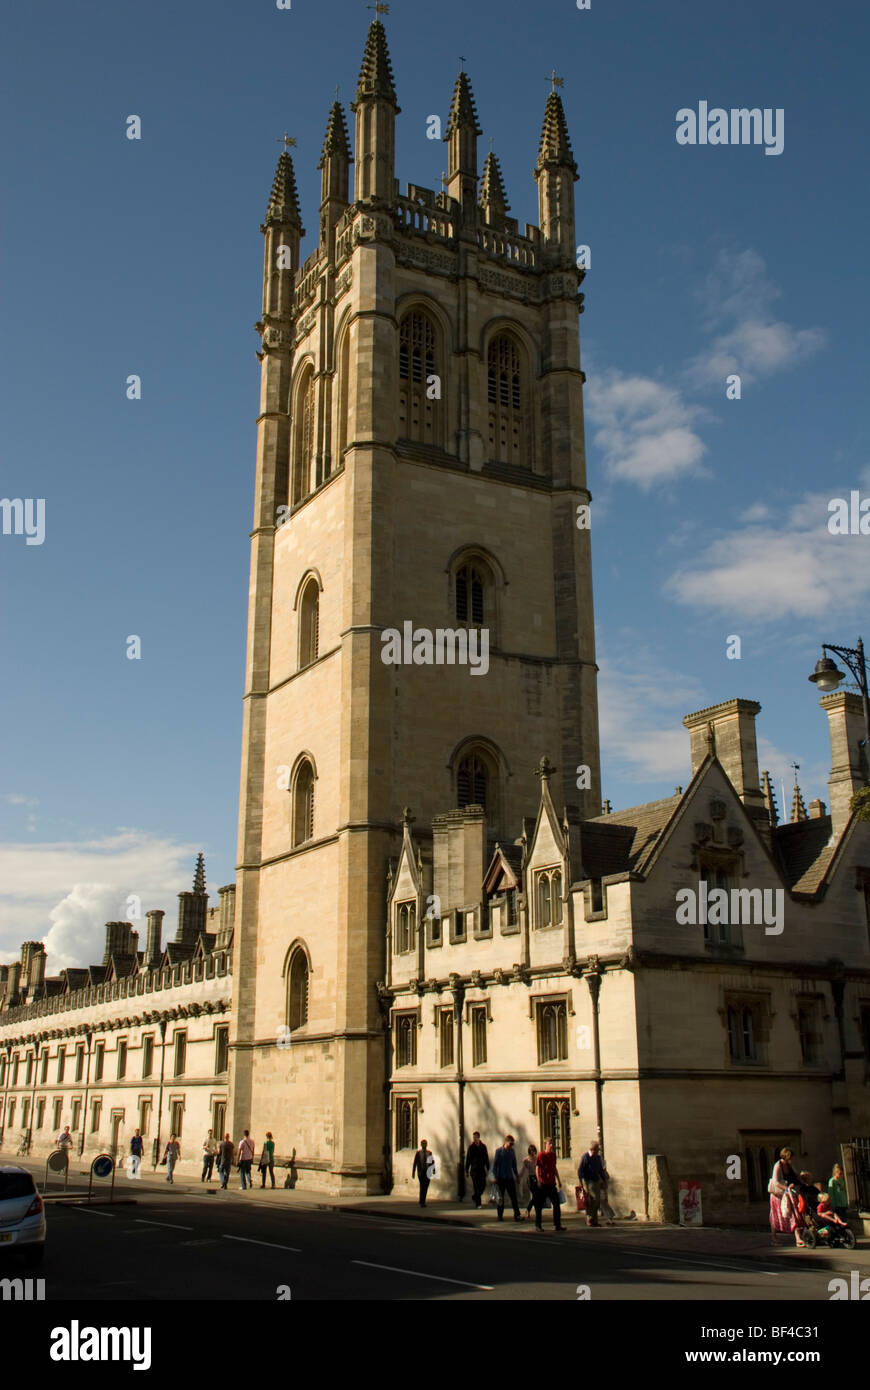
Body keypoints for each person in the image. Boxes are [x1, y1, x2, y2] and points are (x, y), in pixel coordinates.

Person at [768, 1147, 803, 1246]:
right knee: (776, 1216)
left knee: (793, 1213)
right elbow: (775, 1182)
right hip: (778, 1195)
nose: (792, 1159)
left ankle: (798, 1238)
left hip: (787, 1194)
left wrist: (802, 1180)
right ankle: (774, 1238)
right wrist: (786, 1188)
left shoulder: (789, 1164)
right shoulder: (778, 1165)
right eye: (790, 1157)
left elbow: (796, 1176)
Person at [535, 1138, 564, 1231]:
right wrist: (538, 1179)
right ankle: (538, 1225)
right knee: (539, 1205)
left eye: (552, 1143)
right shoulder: (541, 1155)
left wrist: (558, 1180)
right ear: (545, 1145)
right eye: (550, 1143)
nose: (551, 1145)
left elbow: (554, 1168)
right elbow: (537, 1168)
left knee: (556, 1204)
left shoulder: (553, 1155)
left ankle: (557, 1224)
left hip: (551, 1183)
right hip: (543, 1183)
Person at [578, 1138, 608, 1227]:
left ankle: (594, 1220)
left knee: (597, 1201)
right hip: (588, 1181)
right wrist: (581, 1182)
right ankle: (589, 1218)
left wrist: (604, 1180)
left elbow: (600, 1170)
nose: (598, 1151)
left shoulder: (597, 1158)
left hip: (596, 1181)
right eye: (597, 1149)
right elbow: (580, 1170)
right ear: (592, 1149)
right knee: (591, 1200)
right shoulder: (586, 1157)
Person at [492, 1135, 521, 1221]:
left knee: (513, 1197)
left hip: (509, 1177)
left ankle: (517, 1215)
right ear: (506, 1142)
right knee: (501, 1197)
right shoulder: (499, 1151)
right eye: (510, 1144)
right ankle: (500, 1215)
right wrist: (494, 1176)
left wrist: (517, 1175)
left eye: (512, 1144)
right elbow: (495, 1165)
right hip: (501, 1177)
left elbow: (514, 1165)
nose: (511, 1146)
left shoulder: (512, 1152)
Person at [465, 1131, 490, 1208]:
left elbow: (486, 1158)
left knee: (483, 1185)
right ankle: (478, 1204)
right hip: (474, 1170)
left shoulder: (483, 1147)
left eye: (476, 1137)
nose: (474, 1139)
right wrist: (466, 1170)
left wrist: (488, 1167)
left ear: (479, 1137)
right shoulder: (471, 1147)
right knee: (476, 1187)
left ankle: (475, 1197)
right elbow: (468, 1159)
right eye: (474, 1137)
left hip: (482, 1170)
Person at [412, 1139, 435, 1207]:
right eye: (423, 1144)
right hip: (421, 1171)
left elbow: (432, 1162)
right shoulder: (418, 1153)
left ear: (426, 1145)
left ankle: (423, 1200)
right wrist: (413, 1172)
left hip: (428, 1172)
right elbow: (415, 1163)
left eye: (425, 1144)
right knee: (422, 1186)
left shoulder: (429, 1153)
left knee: (426, 1186)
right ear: (421, 1145)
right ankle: (422, 1201)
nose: (424, 1145)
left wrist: (433, 1170)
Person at [519, 1144, 539, 1219]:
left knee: (536, 1196)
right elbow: (523, 1170)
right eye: (531, 1151)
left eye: (534, 1151)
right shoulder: (526, 1160)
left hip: (537, 1178)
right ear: (529, 1152)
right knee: (535, 1195)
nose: (533, 1152)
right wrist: (519, 1177)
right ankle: (533, 1211)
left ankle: (529, 1210)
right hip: (530, 1178)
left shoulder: (537, 1159)